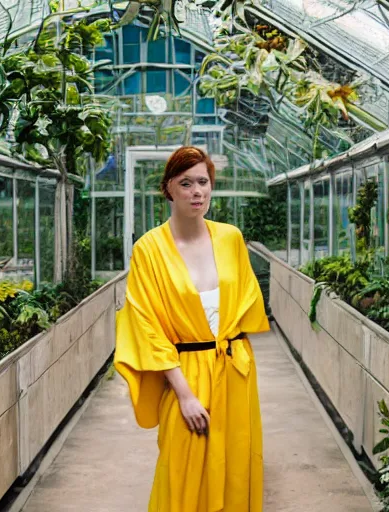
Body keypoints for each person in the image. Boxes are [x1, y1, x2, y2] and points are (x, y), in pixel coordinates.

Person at [114, 146, 270, 512]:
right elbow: (145, 325)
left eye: (203, 182)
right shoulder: (148, 250)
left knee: (236, 468)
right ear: (168, 188)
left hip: (235, 371)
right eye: (186, 183)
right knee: (183, 471)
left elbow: (246, 304)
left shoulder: (231, 238)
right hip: (185, 374)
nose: (197, 191)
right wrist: (183, 394)